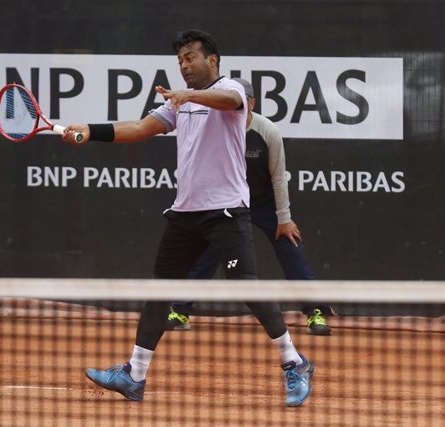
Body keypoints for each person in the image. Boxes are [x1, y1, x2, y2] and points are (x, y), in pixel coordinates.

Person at [62, 29, 314, 407]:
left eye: (190, 58)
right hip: (185, 213)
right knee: (161, 291)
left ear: (212, 59)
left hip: (225, 211)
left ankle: (294, 363)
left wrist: (188, 96)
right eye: (180, 60)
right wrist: (90, 131)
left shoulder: (233, 88)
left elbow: (229, 100)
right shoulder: (179, 104)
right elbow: (140, 128)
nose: (183, 66)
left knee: (248, 288)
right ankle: (134, 375)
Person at [167, 78, 333, 336]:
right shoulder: (213, 128)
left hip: (263, 203)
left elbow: (278, 177)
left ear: (251, 103)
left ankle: (315, 312)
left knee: (290, 246)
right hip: (229, 204)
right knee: (207, 250)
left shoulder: (267, 131)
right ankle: (179, 310)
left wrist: (284, 218)